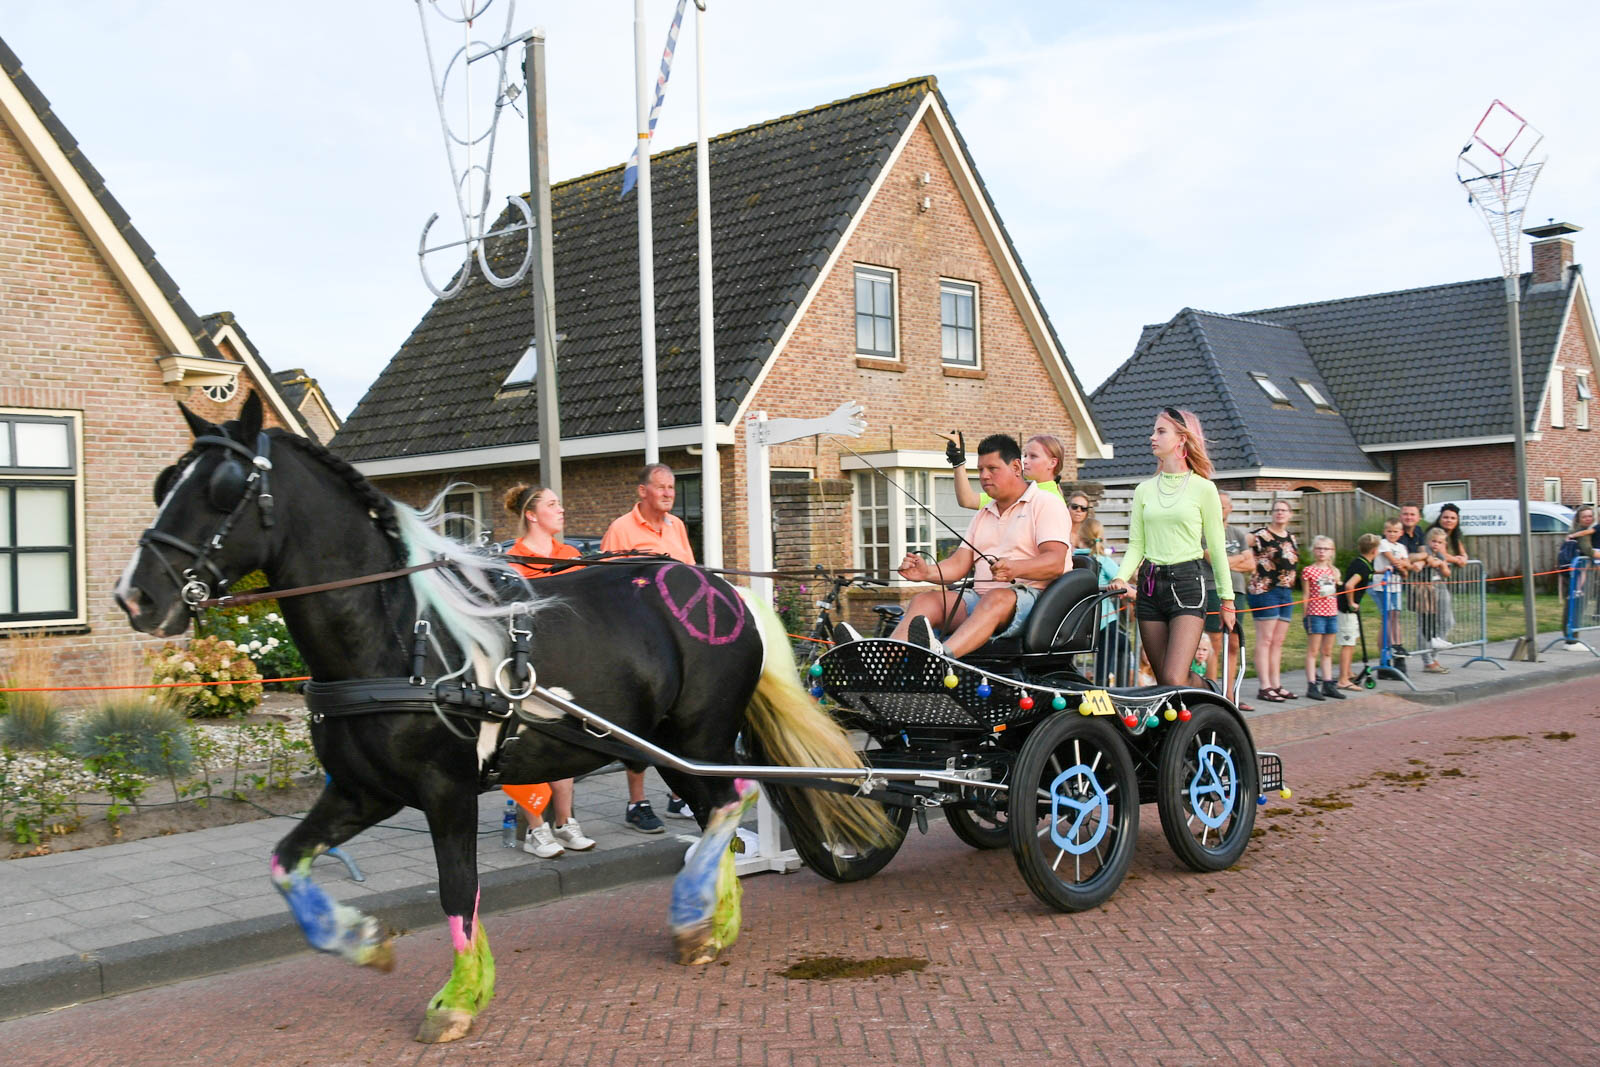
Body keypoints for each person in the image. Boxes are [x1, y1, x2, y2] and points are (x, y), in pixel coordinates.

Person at [874, 434, 1071, 658]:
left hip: (1036, 603)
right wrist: (926, 572)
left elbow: (1055, 562)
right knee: (925, 600)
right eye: (980, 470)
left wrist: (1015, 568)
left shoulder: (1046, 503)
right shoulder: (983, 514)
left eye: (992, 469)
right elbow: (959, 564)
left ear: (1016, 467)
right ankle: (881, 662)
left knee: (996, 597)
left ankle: (941, 656)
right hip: (982, 600)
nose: (984, 476)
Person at [1105, 408, 1234, 687]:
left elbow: (1216, 548)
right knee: (1164, 679)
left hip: (1187, 584)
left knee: (1175, 676)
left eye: (1161, 431)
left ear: (1181, 439)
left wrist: (1228, 600)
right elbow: (1137, 544)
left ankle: (1210, 694)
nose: (1152, 437)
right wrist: (1120, 577)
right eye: (1154, 431)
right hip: (1150, 586)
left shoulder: (1204, 489)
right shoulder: (1144, 490)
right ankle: (1184, 713)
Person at [600, 463, 696, 833]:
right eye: (661, 487)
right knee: (641, 720)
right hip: (640, 641)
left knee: (680, 717)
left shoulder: (677, 527)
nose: (669, 493)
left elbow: (690, 576)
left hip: (677, 638)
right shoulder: (621, 529)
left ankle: (678, 794)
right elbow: (606, 586)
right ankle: (636, 803)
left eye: (672, 487)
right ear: (643, 491)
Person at [501, 485, 596, 858]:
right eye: (553, 504)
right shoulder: (513, 560)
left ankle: (564, 822)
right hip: (532, 664)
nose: (561, 509)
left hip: (568, 660)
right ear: (532, 514)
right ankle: (535, 830)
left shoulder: (570, 555)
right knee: (526, 746)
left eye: (560, 503)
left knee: (565, 741)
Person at [1204, 490, 1254, 709]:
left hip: (1237, 591)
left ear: (1230, 509)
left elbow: (1251, 565)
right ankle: (1212, 693)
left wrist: (1228, 561)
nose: (1219, 510)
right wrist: (1240, 558)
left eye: (1223, 506)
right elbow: (1214, 560)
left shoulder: (1237, 534)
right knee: (1214, 642)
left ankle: (1230, 694)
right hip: (1214, 590)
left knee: (1234, 642)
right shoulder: (1204, 532)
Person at [1247, 499, 1299, 702]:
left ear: (1290, 514)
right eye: (1277, 510)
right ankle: (1264, 686)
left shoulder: (1291, 537)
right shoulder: (1260, 535)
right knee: (1265, 639)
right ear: (1271, 513)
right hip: (1265, 590)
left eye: (1284, 510)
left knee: (1278, 641)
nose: (1280, 513)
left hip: (1286, 591)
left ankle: (1276, 684)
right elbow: (1237, 544)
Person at [943, 431, 1065, 509]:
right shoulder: (1021, 492)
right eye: (1025, 455)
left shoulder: (1052, 501)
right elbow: (968, 500)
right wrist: (958, 462)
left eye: (1033, 456)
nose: (1025, 461)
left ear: (1052, 463)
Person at [1299, 535, 1343, 701]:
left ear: (1332, 552)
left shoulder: (1334, 571)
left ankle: (1328, 683)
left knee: (1327, 651)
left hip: (1331, 613)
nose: (1322, 552)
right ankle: (1311, 684)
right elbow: (1306, 594)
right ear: (1314, 550)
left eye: (1326, 549)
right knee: (1313, 650)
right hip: (1316, 613)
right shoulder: (1309, 571)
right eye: (1319, 548)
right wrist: (1305, 614)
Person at [1336, 532, 1380, 689]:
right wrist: (1351, 602)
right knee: (1348, 643)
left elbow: (1368, 573)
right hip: (1346, 610)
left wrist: (1382, 571)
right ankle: (1343, 680)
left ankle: (1347, 672)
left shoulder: (1362, 562)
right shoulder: (1363, 567)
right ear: (1375, 550)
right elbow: (1349, 585)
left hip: (1348, 610)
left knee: (1352, 640)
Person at [1413, 528, 1452, 672]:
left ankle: (1435, 654)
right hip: (1426, 588)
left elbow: (1447, 572)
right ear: (1428, 541)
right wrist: (1430, 562)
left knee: (1447, 621)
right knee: (1426, 625)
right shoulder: (1424, 552)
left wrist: (1442, 564)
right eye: (1434, 541)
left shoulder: (1440, 555)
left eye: (1440, 542)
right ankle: (1427, 660)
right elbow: (1422, 562)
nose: (1436, 544)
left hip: (1440, 586)